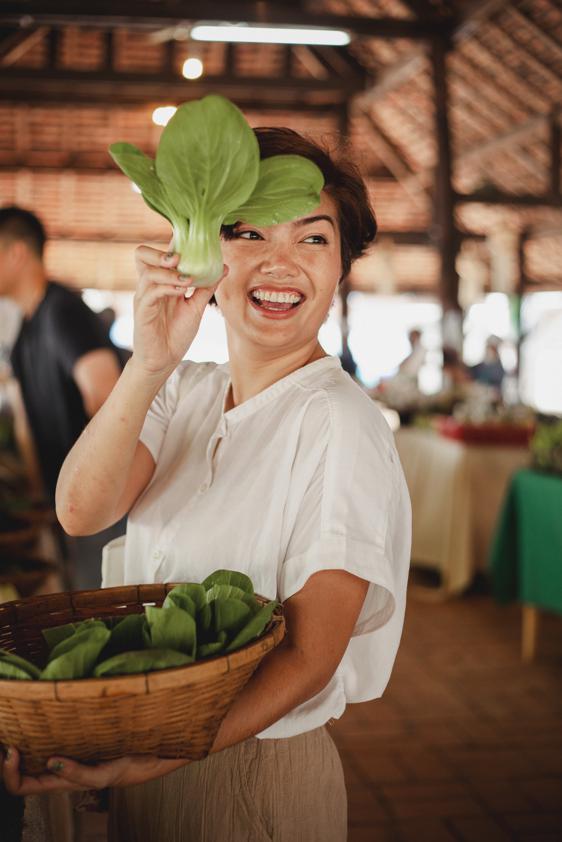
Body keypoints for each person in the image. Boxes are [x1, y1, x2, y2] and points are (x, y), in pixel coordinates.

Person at [1, 129, 411, 841]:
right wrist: (151, 358)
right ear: (204, 252)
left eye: (313, 239)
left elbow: (310, 656)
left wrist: (151, 758)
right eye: (248, 231)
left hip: (252, 778)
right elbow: (79, 509)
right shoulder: (181, 388)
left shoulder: (341, 422)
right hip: (152, 769)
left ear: (343, 266)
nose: (280, 262)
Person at [0, 206, 124, 589]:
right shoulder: (24, 334)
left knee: (101, 606)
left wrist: (86, 482)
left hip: (99, 502)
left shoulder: (62, 311)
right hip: (67, 508)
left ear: (17, 253)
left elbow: (105, 394)